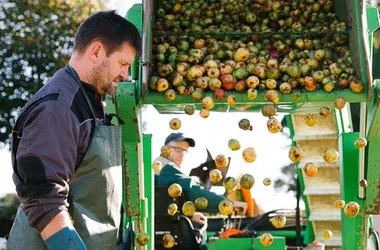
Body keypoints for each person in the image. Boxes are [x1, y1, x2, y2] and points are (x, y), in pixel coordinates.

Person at [7, 11, 141, 250]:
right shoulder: (58, 108)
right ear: (97, 51)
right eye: (123, 64)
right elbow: (44, 202)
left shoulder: (91, 102)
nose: (125, 75)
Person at [155, 133, 247, 226]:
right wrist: (226, 203)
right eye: (178, 150)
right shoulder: (165, 168)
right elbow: (192, 191)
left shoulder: (161, 168)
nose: (182, 155)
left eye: (185, 151)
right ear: (165, 149)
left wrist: (190, 215)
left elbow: (166, 204)